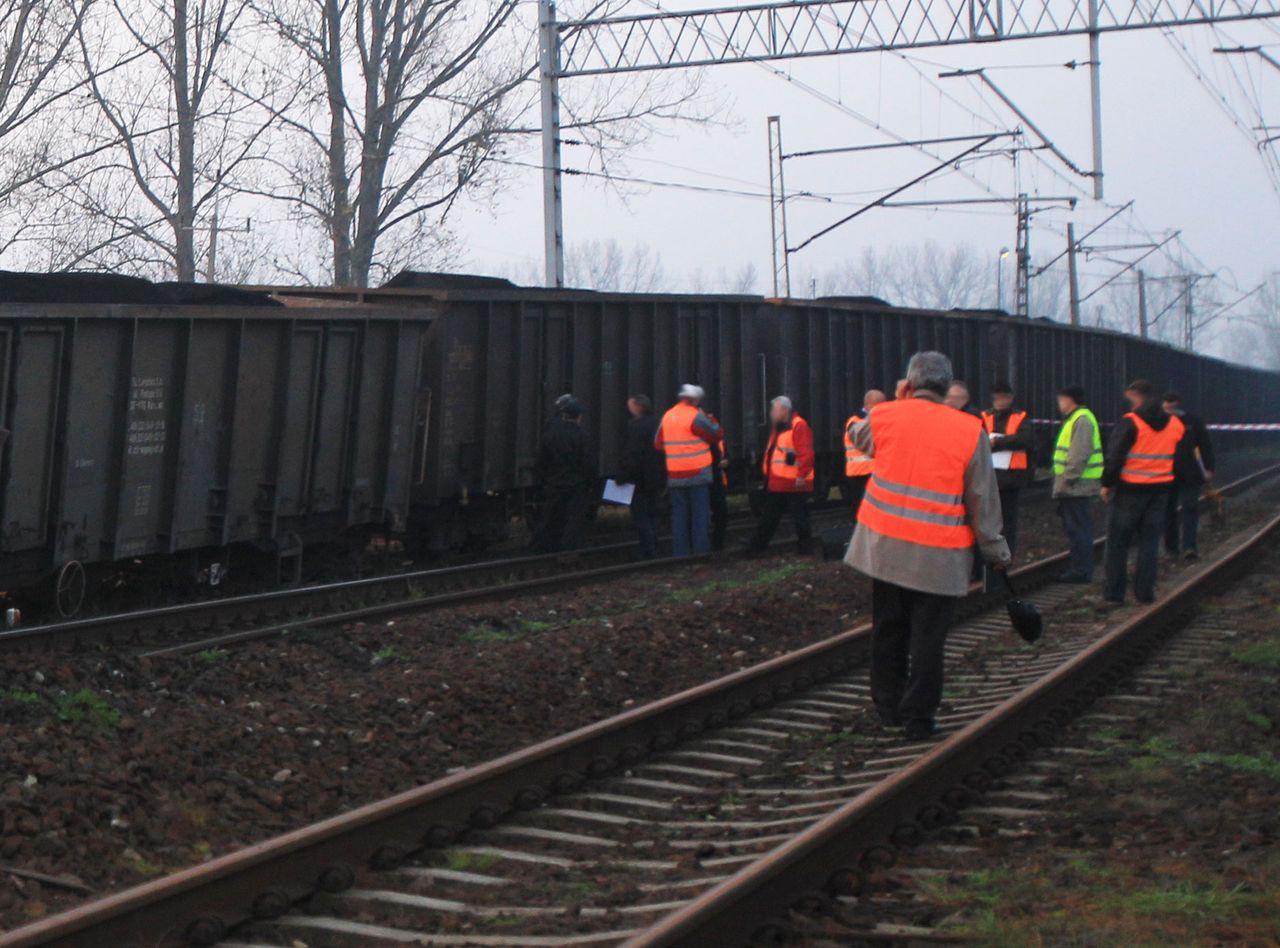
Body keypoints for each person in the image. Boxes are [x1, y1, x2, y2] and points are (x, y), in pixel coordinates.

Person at [845, 352, 1010, 741]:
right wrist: (995, 550)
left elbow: (859, 438)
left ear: (909, 383)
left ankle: (888, 706)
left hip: (884, 547)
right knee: (928, 639)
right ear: (948, 385)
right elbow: (981, 499)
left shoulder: (886, 414)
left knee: (888, 630)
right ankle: (919, 718)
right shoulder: (971, 430)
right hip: (940, 553)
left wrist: (897, 402)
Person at [1100, 379, 1185, 604]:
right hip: (1160, 491)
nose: (1128, 404)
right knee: (1150, 543)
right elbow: (1178, 452)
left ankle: (1114, 594)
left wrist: (1107, 484)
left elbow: (1115, 457)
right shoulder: (1175, 423)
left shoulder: (1131, 422)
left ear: (1137, 396)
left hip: (1129, 491)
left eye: (1130, 398)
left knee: (1118, 542)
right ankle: (1145, 593)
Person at [655, 384, 721, 556]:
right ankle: (699, 551)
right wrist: (712, 419)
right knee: (700, 515)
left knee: (679, 516)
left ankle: (680, 553)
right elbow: (715, 435)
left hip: (675, 474)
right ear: (695, 400)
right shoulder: (696, 416)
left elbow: (658, 443)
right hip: (697, 473)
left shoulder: (668, 416)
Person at [749, 396, 815, 553]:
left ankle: (804, 548)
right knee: (772, 518)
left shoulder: (798, 425)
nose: (771, 413)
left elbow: (805, 453)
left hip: (793, 482)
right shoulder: (781, 427)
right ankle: (756, 548)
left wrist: (801, 475)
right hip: (779, 481)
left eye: (774, 409)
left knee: (798, 518)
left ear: (785, 410)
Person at [1051, 385, 1103, 584]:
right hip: (1074, 485)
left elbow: (1079, 455)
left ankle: (1081, 571)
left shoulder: (1081, 419)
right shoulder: (1078, 419)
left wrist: (1067, 480)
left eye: (1061, 399)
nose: (1059, 404)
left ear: (1069, 399)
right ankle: (1079, 568)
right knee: (1076, 529)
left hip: (1075, 486)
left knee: (1078, 529)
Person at [531, 398, 596, 553]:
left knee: (550, 515)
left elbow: (541, 461)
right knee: (573, 518)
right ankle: (568, 548)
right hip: (576, 484)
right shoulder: (583, 437)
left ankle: (541, 547)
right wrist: (590, 482)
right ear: (578, 417)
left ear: (564, 416)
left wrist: (543, 479)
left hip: (554, 482)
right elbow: (588, 463)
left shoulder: (550, 436)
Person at [981, 382, 1034, 558]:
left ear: (1010, 398)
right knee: (989, 519)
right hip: (989, 477)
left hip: (1011, 478)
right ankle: (990, 554)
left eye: (1004, 397)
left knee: (1008, 520)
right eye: (997, 397)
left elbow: (1026, 439)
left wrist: (997, 442)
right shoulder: (985, 416)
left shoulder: (1020, 417)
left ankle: (1006, 554)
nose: (1000, 401)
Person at [1161, 392, 1215, 562]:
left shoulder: (1192, 421)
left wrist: (1209, 467)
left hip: (1190, 473)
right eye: (1166, 402)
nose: (1169, 406)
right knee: (1168, 512)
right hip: (1166, 474)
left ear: (1177, 403)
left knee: (1189, 508)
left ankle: (1189, 547)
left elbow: (1205, 444)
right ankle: (1172, 548)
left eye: (1171, 402)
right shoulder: (1158, 421)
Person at [619, 394, 665, 559]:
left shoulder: (635, 426)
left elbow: (633, 454)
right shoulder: (658, 423)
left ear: (637, 406)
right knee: (653, 513)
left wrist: (622, 476)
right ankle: (654, 546)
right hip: (657, 477)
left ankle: (648, 550)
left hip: (639, 479)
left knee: (641, 515)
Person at [844, 389, 885, 519]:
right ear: (867, 405)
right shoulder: (855, 421)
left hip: (870, 471)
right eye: (879, 405)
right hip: (860, 472)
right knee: (861, 509)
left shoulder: (858, 421)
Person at [706, 412, 730, 550]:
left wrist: (726, 460)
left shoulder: (716, 440)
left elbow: (725, 453)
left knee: (720, 515)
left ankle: (717, 544)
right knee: (719, 515)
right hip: (712, 480)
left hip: (717, 480)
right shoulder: (710, 440)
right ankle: (716, 545)